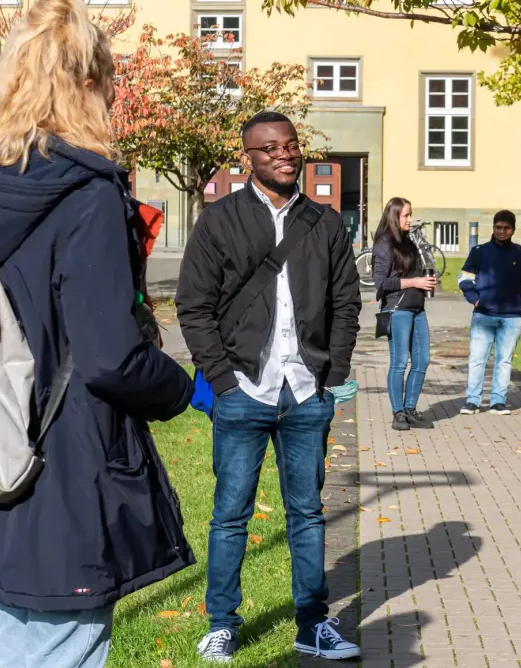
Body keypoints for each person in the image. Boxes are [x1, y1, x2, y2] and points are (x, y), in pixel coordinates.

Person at [0, 0, 194, 668]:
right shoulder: (85, 191)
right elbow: (109, 353)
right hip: (69, 458)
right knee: (63, 647)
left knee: (23, 638)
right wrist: (181, 389)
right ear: (86, 82)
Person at [176, 111, 362, 662]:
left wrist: (333, 374)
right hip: (244, 394)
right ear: (248, 159)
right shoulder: (219, 221)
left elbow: (347, 304)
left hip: (305, 394)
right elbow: (194, 305)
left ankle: (313, 624)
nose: (284, 154)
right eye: (269, 147)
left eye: (290, 145)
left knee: (306, 513)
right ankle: (222, 623)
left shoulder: (326, 224)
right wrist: (222, 379)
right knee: (230, 514)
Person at [458, 210, 521, 415]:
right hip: (483, 316)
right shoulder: (479, 252)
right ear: (493, 228)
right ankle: (472, 401)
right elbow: (464, 279)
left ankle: (498, 401)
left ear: (513, 229)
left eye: (507, 228)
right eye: (498, 227)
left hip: (511, 317)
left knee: (504, 360)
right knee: (477, 358)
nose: (502, 231)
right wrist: (475, 300)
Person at [371, 197, 437, 432]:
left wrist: (426, 281)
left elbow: (416, 272)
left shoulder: (409, 242)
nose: (410, 219)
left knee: (422, 360)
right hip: (397, 310)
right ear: (394, 216)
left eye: (411, 214)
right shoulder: (384, 244)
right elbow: (380, 282)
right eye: (406, 215)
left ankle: (410, 408)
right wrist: (414, 281)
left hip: (418, 309)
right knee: (399, 363)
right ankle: (398, 413)